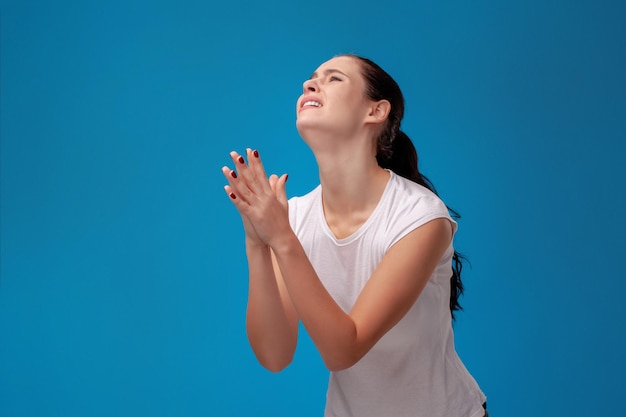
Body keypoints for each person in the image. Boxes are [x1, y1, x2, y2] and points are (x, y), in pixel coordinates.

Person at [222, 54, 487, 417]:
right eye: (311, 78)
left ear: (376, 111)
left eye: (333, 79)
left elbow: (344, 350)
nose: (309, 84)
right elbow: (275, 355)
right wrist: (257, 241)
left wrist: (282, 239)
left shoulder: (420, 216)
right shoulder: (295, 216)